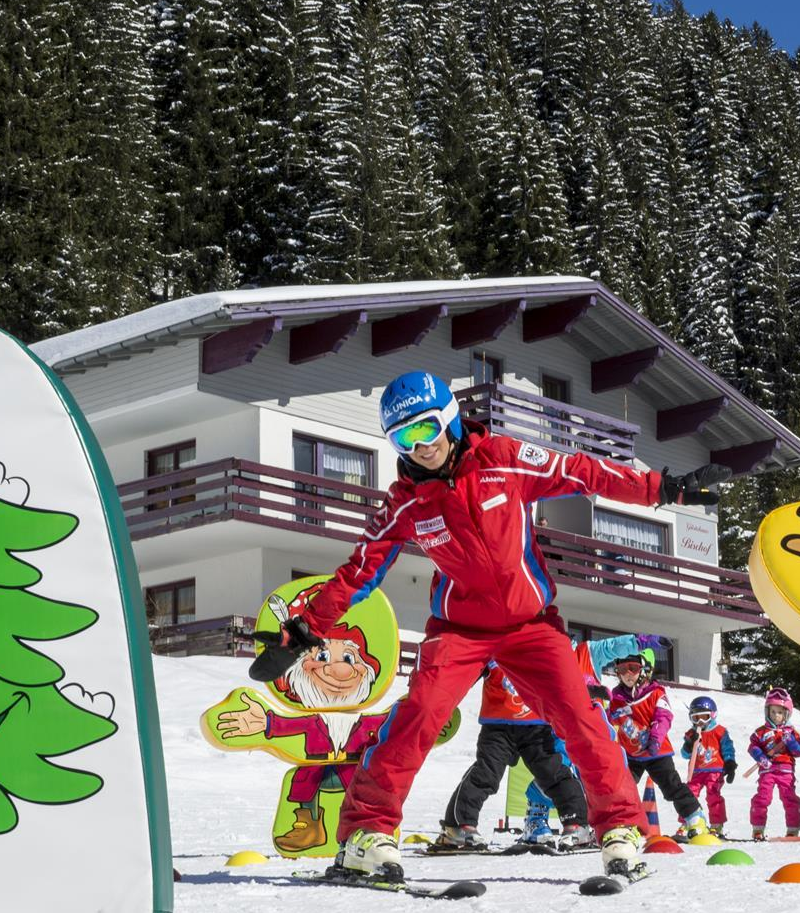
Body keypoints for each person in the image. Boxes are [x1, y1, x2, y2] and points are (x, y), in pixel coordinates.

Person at [250, 370, 729, 884]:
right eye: (404, 438)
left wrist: (661, 488)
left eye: (426, 428)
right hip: (459, 629)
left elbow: (582, 471)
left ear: (450, 420)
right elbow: (360, 570)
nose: (421, 446)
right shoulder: (405, 501)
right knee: (419, 714)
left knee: (580, 716)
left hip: (531, 624)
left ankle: (619, 829)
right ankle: (365, 835)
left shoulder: (505, 458)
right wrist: (305, 628)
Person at [435, 660, 590, 851]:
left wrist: (583, 698)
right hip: (498, 728)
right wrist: (442, 700)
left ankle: (576, 825)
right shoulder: (492, 652)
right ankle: (459, 827)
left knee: (554, 773)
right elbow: (462, 676)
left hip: (536, 727)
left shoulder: (541, 651)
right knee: (486, 774)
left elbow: (565, 680)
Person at [607, 650, 710, 838]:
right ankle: (624, 823)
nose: (628, 674)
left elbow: (664, 717)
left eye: (633, 668)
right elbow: (607, 721)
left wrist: (655, 739)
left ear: (644, 670)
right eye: (622, 669)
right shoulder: (616, 698)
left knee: (671, 786)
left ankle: (695, 818)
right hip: (631, 755)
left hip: (657, 752)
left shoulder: (655, 693)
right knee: (622, 788)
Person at [747, 687, 800, 840]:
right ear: (767, 711)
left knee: (789, 797)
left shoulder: (791, 732)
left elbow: (799, 752)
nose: (776, 716)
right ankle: (758, 829)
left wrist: (792, 743)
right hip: (767, 770)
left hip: (786, 771)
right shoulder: (761, 732)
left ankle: (793, 830)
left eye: (779, 712)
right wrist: (760, 756)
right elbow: (752, 747)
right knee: (763, 797)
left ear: (786, 714)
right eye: (772, 712)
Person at [679, 696, 736, 837]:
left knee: (713, 796)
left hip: (714, 771)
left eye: (704, 717)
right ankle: (687, 822)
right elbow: (684, 754)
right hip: (696, 771)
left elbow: (728, 749)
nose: (700, 722)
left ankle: (716, 825)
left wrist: (730, 763)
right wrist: (689, 744)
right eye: (695, 718)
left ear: (713, 715)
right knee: (688, 795)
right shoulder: (691, 734)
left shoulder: (719, 731)